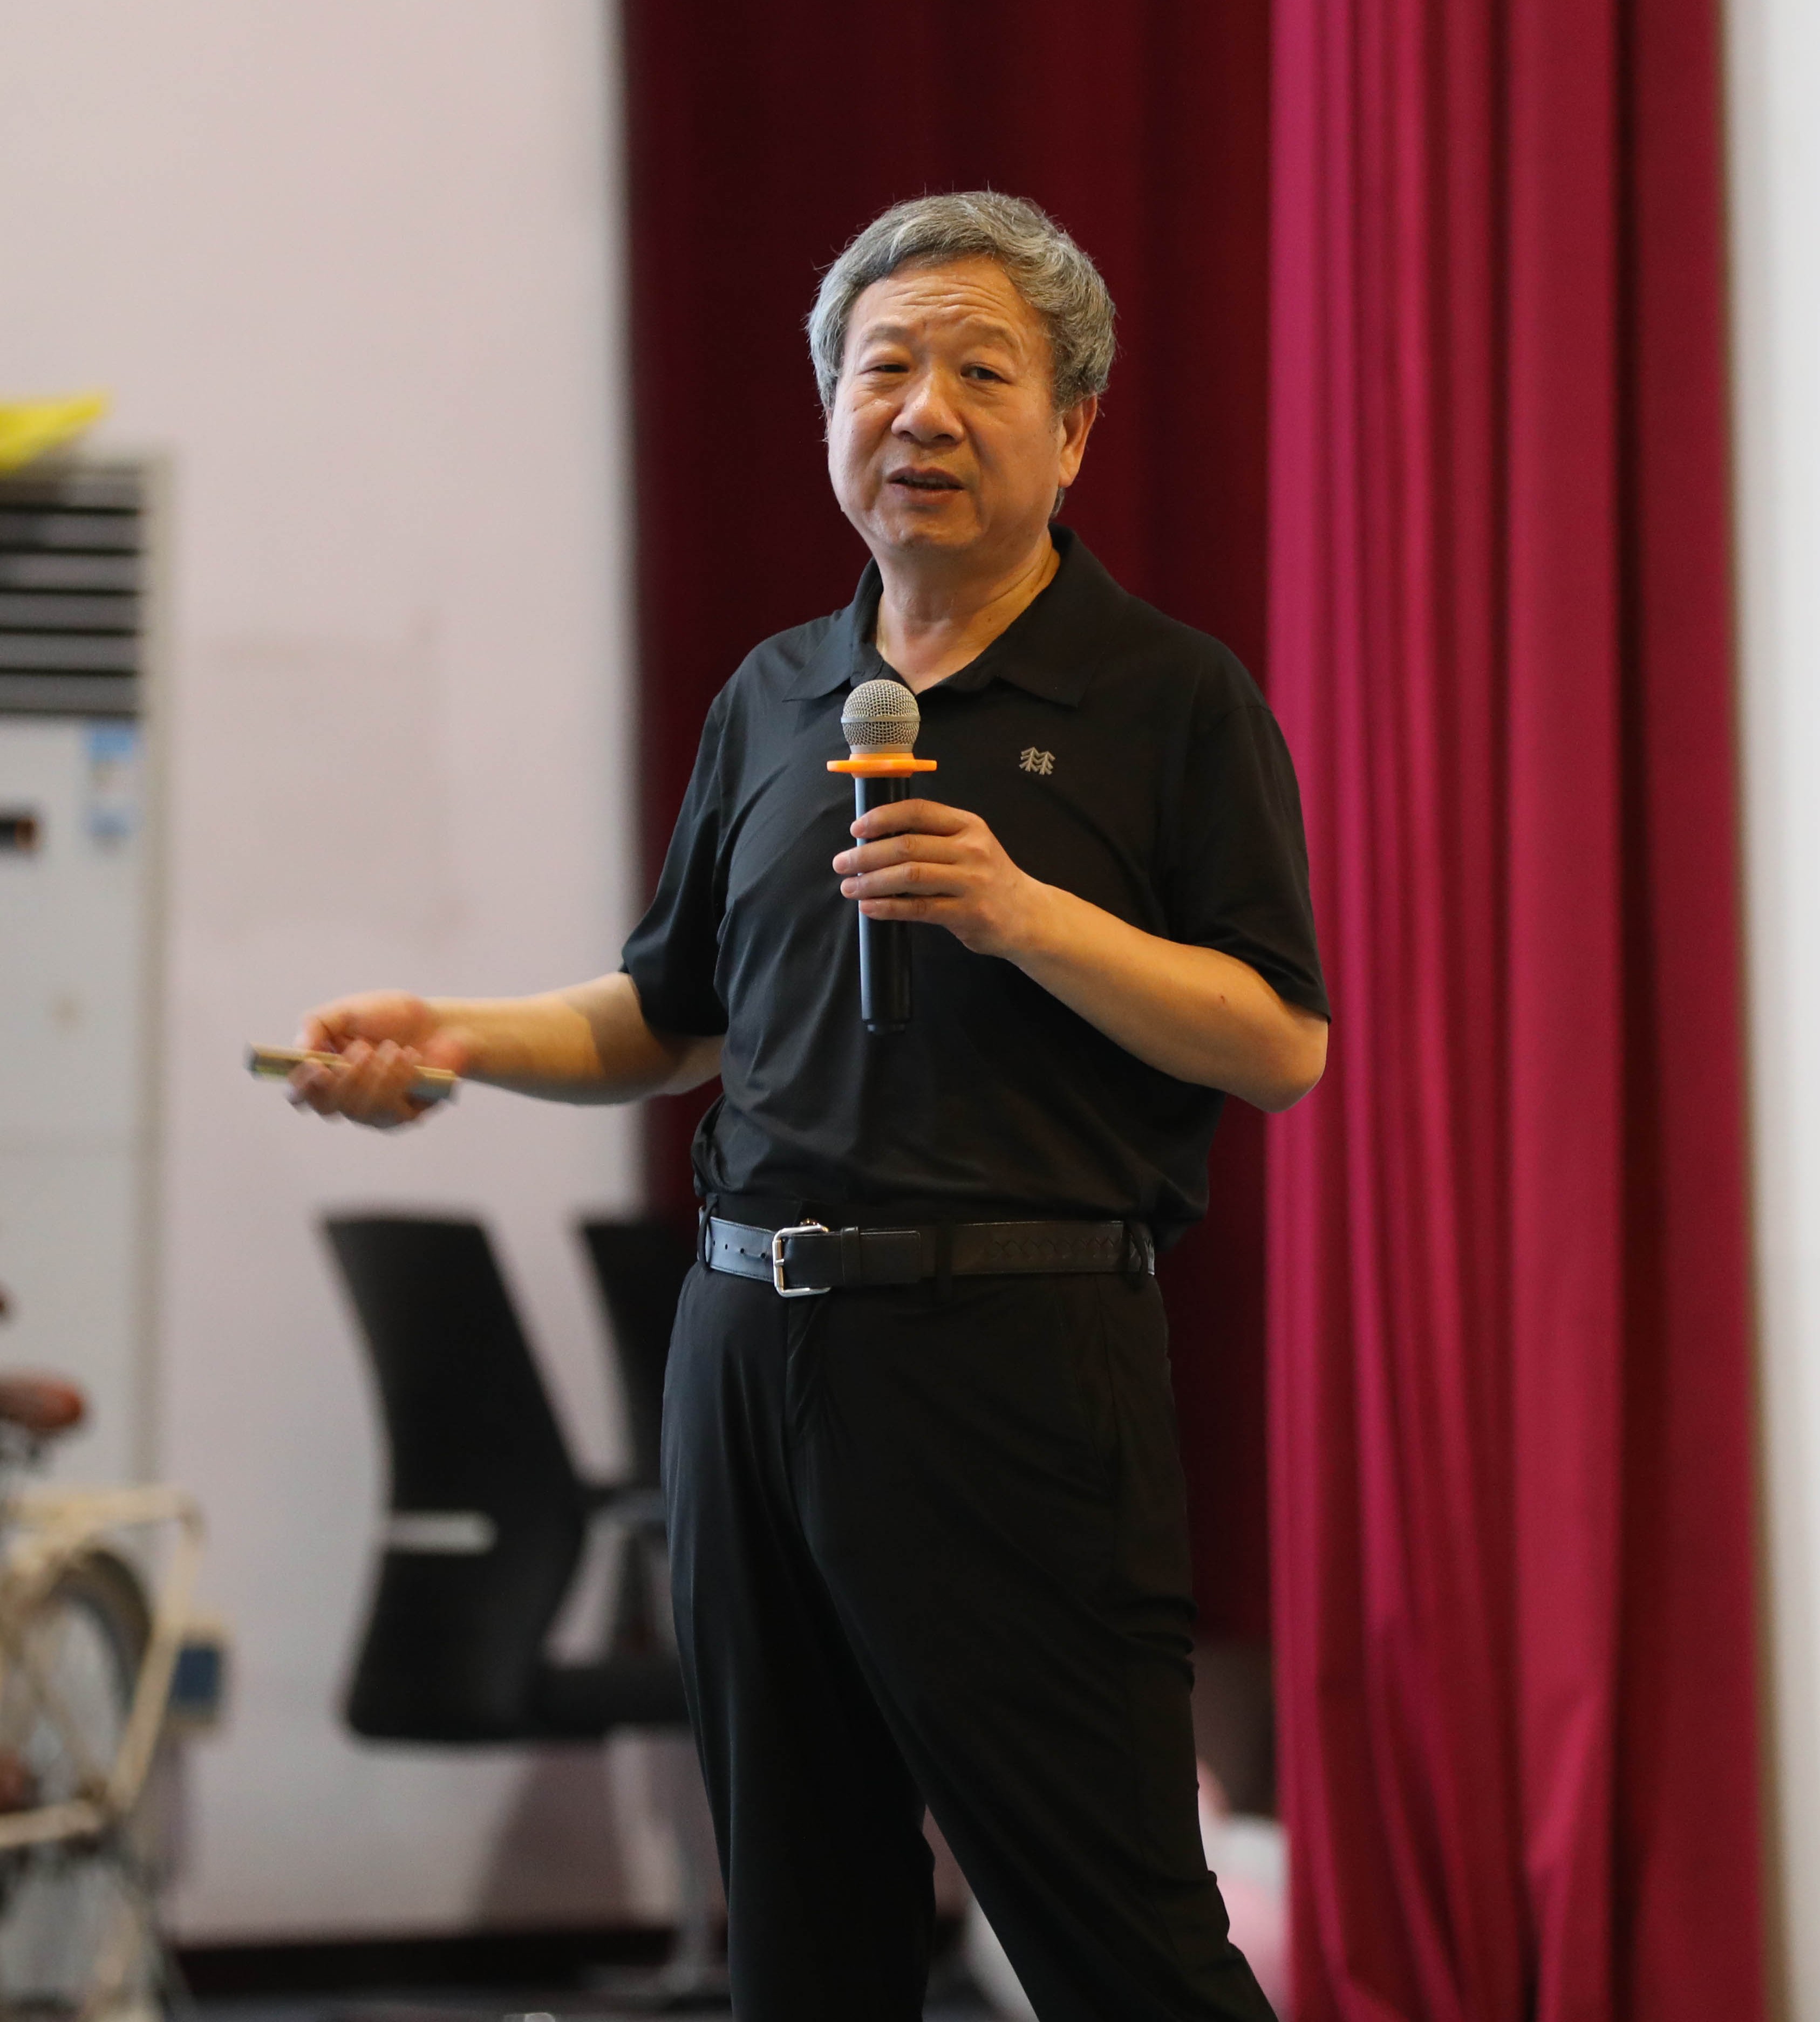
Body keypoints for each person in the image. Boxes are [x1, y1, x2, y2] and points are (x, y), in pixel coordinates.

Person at [289, 190, 1324, 2021]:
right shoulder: (780, 696)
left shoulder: (1169, 700)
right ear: (830, 411)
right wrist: (445, 1036)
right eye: (882, 367)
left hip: (1011, 1356)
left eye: (979, 372)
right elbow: (666, 1017)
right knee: (803, 1930)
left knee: (1119, 1939)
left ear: (1074, 431)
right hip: (747, 1352)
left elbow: (1276, 1042)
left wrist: (1024, 913)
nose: (921, 410)